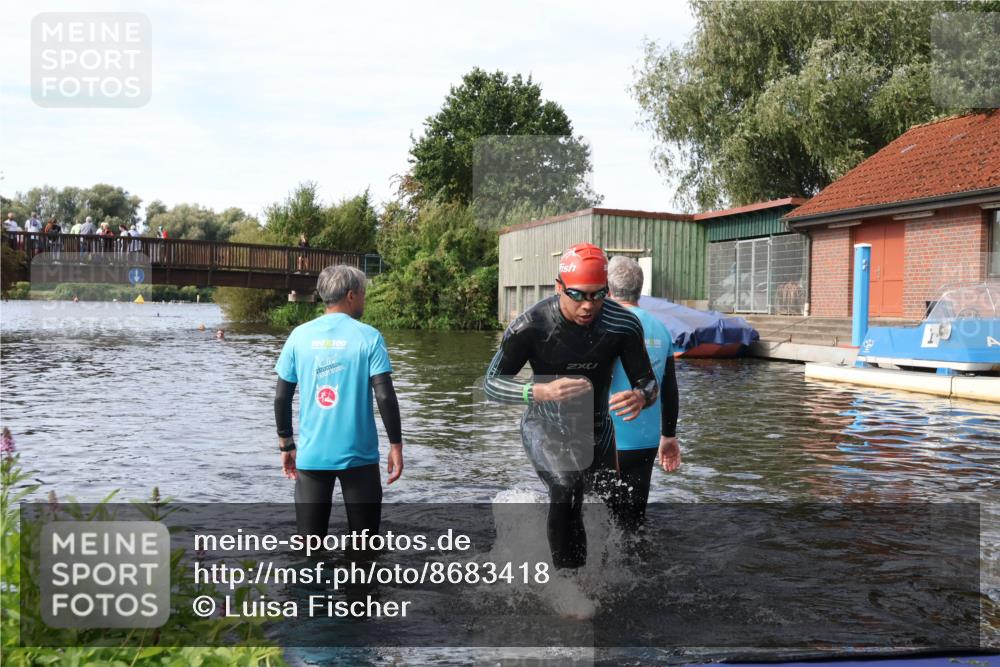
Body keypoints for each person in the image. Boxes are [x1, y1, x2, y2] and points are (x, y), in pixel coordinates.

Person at [484, 243, 658, 570]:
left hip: (597, 430)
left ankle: (606, 575)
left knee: (615, 509)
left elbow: (648, 382)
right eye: (577, 295)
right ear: (559, 287)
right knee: (567, 487)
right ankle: (569, 585)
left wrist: (641, 396)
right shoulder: (531, 325)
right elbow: (491, 384)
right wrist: (538, 391)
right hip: (545, 424)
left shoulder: (623, 325)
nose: (588, 305)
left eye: (598, 295)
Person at [274, 265, 403, 542]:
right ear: (351, 295)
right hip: (359, 457)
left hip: (312, 456)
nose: (365, 299)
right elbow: (384, 395)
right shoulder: (369, 337)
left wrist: (286, 444)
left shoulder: (299, 336)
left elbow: (282, 397)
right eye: (363, 293)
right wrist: (396, 445)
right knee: (365, 547)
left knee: (309, 546)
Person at [606, 256, 681, 533]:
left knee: (603, 525)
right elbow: (669, 387)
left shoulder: (606, 325)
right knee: (633, 524)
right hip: (645, 441)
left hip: (608, 441)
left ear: (608, 288)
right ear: (640, 288)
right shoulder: (660, 328)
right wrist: (669, 436)